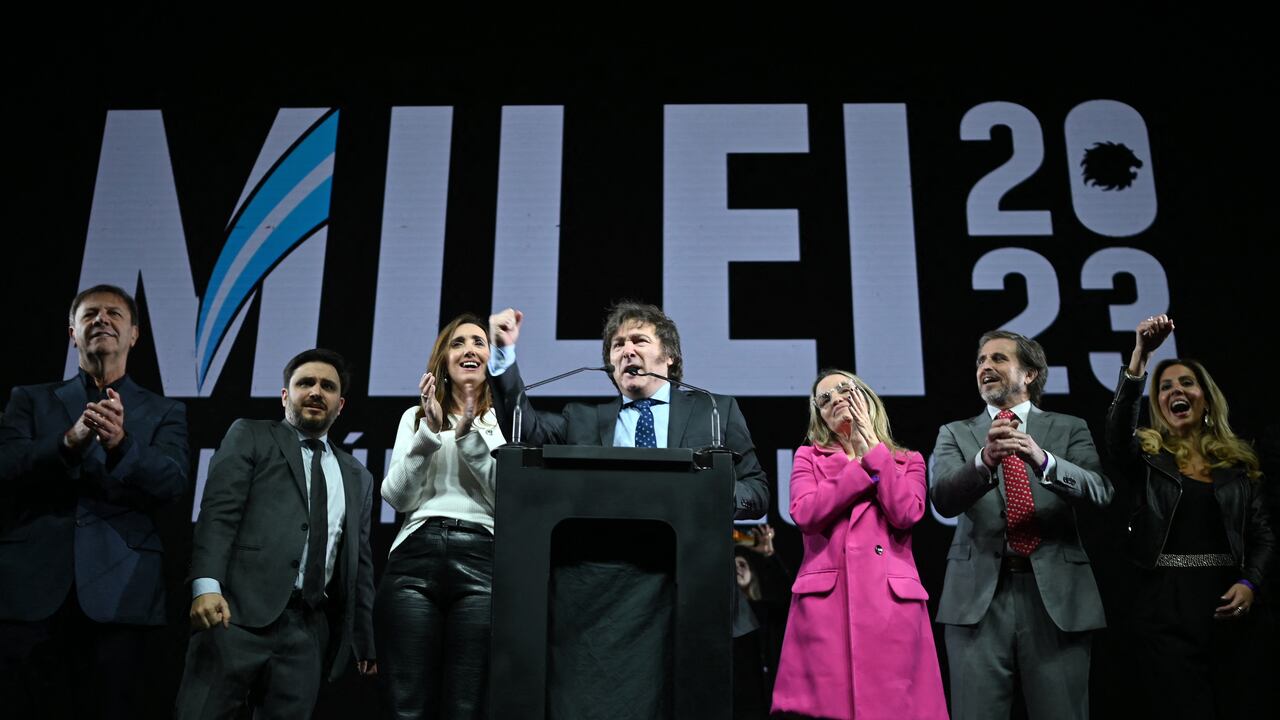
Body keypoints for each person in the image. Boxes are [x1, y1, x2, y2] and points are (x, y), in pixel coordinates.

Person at [487, 302, 769, 720]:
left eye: (639, 340)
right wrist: (503, 356)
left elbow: (757, 490)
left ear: (668, 357)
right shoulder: (581, 419)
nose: (626, 351)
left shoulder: (713, 409)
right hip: (600, 598)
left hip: (687, 589)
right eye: (617, 345)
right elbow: (521, 429)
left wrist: (711, 499)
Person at [0, 284, 189, 719]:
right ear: (72, 332)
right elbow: (7, 467)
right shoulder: (29, 400)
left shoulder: (164, 411)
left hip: (119, 594)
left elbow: (173, 483)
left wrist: (122, 443)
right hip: (31, 590)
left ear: (134, 334)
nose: (101, 320)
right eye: (90, 314)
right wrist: (68, 440)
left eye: (113, 314)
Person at [175, 348, 376, 718]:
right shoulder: (250, 435)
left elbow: (358, 564)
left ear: (340, 403)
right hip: (233, 617)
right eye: (305, 383)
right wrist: (206, 586)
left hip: (307, 632)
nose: (316, 391)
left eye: (327, 386)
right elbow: (218, 515)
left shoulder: (357, 475)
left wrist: (363, 638)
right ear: (286, 395)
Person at [931, 330, 1112, 720]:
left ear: (1029, 374)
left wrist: (1043, 459)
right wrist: (983, 460)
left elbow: (1100, 491)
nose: (986, 367)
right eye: (980, 361)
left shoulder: (1069, 428)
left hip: (1057, 601)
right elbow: (943, 499)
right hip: (977, 602)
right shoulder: (955, 433)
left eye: (998, 358)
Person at [1104, 314, 1274, 716]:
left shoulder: (1239, 465)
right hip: (1167, 607)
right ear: (1158, 403)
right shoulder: (1147, 459)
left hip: (1229, 608)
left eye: (1186, 383)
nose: (1175, 391)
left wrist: (1251, 583)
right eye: (1165, 388)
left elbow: (1263, 535)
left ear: (1205, 396)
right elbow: (1115, 437)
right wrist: (1140, 357)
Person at [772, 370, 946, 720]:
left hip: (891, 606)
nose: (835, 398)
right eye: (824, 399)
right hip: (827, 608)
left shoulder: (907, 460)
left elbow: (906, 512)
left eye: (844, 389)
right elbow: (804, 512)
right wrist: (861, 469)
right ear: (821, 416)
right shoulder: (808, 457)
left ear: (866, 398)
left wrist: (875, 455)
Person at [375, 314, 506, 719]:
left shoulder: (504, 420)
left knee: (466, 706)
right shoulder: (414, 419)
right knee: (406, 704)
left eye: (479, 342)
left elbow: (509, 500)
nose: (469, 349)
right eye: (458, 342)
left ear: (490, 359)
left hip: (483, 560)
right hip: (415, 558)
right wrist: (429, 436)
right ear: (443, 360)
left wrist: (469, 438)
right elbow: (397, 497)